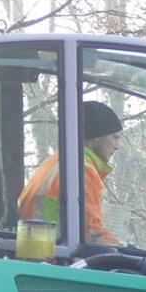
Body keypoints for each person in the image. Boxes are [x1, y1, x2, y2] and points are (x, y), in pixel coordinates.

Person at [18, 99, 123, 246]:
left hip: (36, 252)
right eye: (115, 138)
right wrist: (125, 250)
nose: (117, 146)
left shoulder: (56, 162)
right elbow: (91, 234)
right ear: (97, 136)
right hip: (56, 260)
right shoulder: (82, 171)